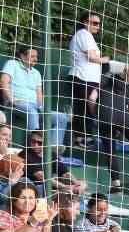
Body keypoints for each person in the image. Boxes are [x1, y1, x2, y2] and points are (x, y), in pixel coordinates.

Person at [4, 46, 70, 150]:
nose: (36, 59)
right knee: (32, 112)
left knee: (61, 117)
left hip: (35, 106)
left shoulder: (36, 73)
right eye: (32, 56)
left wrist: (42, 107)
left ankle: (53, 149)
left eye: (36, 56)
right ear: (22, 56)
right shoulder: (12, 64)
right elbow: (3, 82)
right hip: (16, 103)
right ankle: (34, 148)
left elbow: (39, 93)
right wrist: (11, 100)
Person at [68, 12, 111, 149]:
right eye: (94, 23)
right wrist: (104, 59)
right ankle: (80, 139)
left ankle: (85, 138)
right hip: (83, 77)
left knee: (87, 109)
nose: (98, 26)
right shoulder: (83, 34)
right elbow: (91, 57)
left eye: (99, 23)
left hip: (89, 78)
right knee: (82, 109)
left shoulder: (88, 36)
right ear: (85, 22)